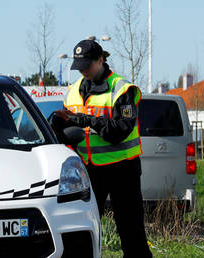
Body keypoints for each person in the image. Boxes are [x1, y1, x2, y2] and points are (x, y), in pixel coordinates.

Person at [52, 39, 152, 258]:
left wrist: (86, 120)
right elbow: (69, 128)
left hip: (122, 169)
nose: (83, 72)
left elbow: (120, 131)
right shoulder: (73, 91)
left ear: (101, 60)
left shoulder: (122, 88)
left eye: (87, 66)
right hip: (88, 170)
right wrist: (60, 125)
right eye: (79, 67)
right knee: (79, 227)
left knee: (131, 231)